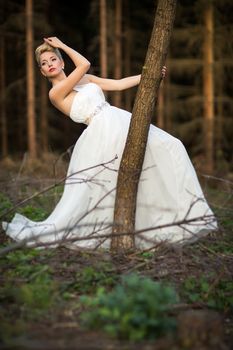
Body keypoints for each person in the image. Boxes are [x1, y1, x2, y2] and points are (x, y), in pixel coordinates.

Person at [2, 37, 217, 249]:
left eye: (52, 59)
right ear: (41, 71)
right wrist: (63, 46)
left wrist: (149, 75)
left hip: (118, 120)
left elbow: (118, 84)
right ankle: (122, 231)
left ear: (62, 63)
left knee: (172, 146)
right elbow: (84, 63)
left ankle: (188, 214)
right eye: (44, 63)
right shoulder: (55, 93)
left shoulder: (84, 80)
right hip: (100, 134)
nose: (49, 65)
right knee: (113, 182)